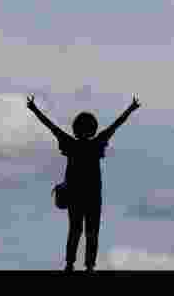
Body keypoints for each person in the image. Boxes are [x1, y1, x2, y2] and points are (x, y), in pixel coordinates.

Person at [28, 94, 140, 272]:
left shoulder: (70, 144)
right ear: (92, 129)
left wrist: (34, 109)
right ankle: (89, 266)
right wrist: (131, 109)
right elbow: (116, 125)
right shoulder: (96, 144)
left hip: (75, 196)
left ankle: (70, 264)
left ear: (76, 128)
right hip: (93, 197)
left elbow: (51, 126)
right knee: (92, 232)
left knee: (75, 231)